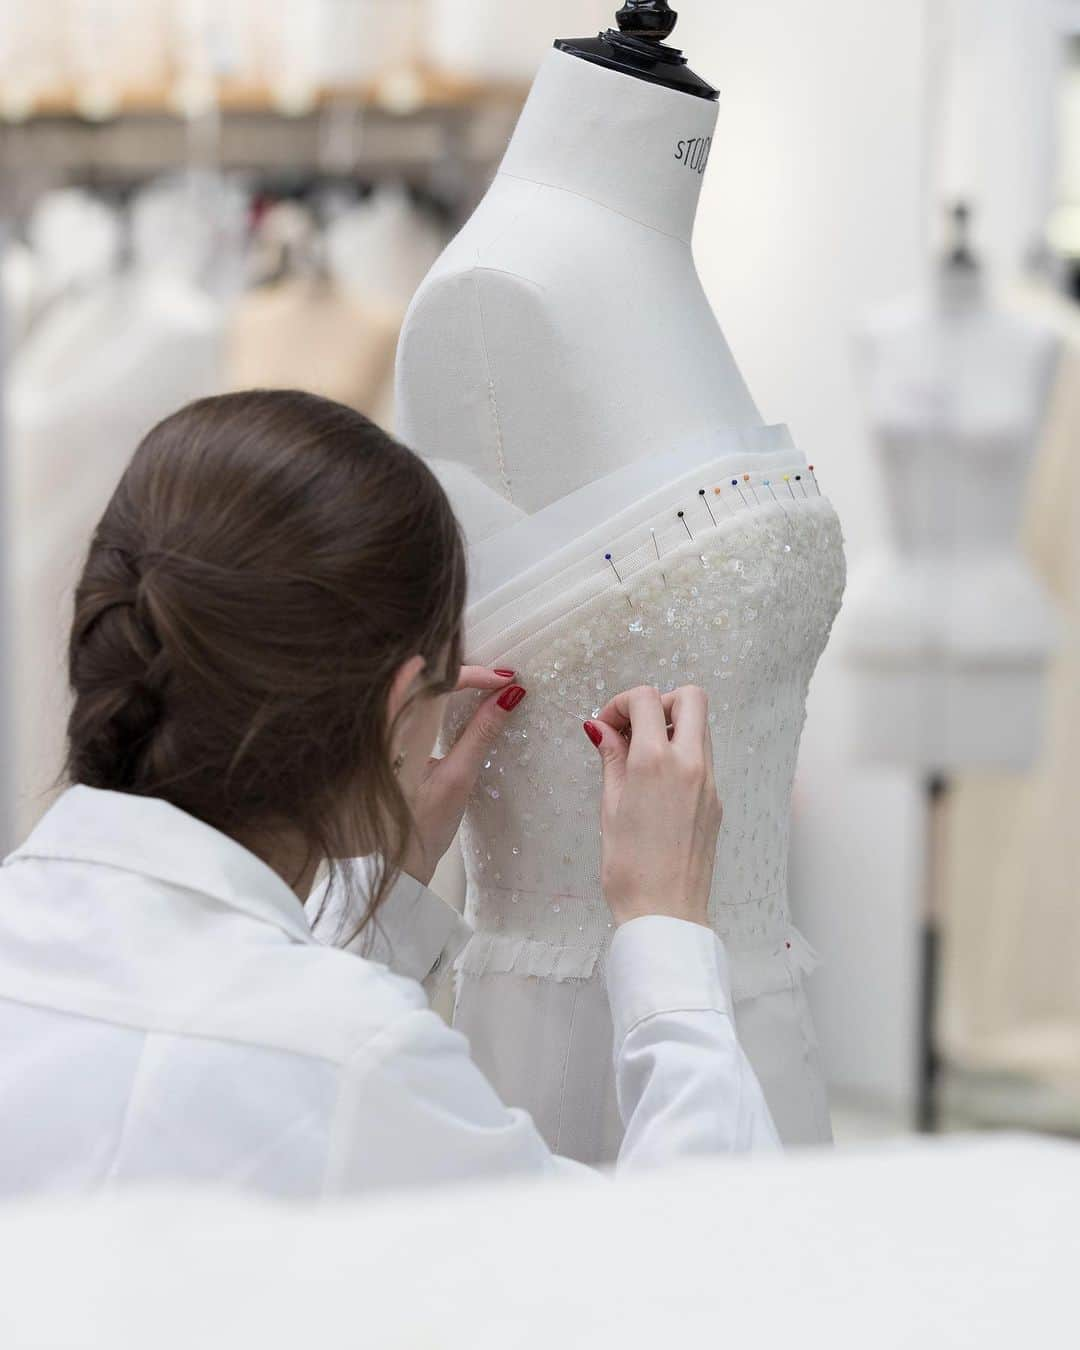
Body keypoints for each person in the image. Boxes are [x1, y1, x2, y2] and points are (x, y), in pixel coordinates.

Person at [0, 390, 778, 1198]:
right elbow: (694, 1264)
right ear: (402, 705)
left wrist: (383, 897)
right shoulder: (349, 1061)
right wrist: (668, 932)